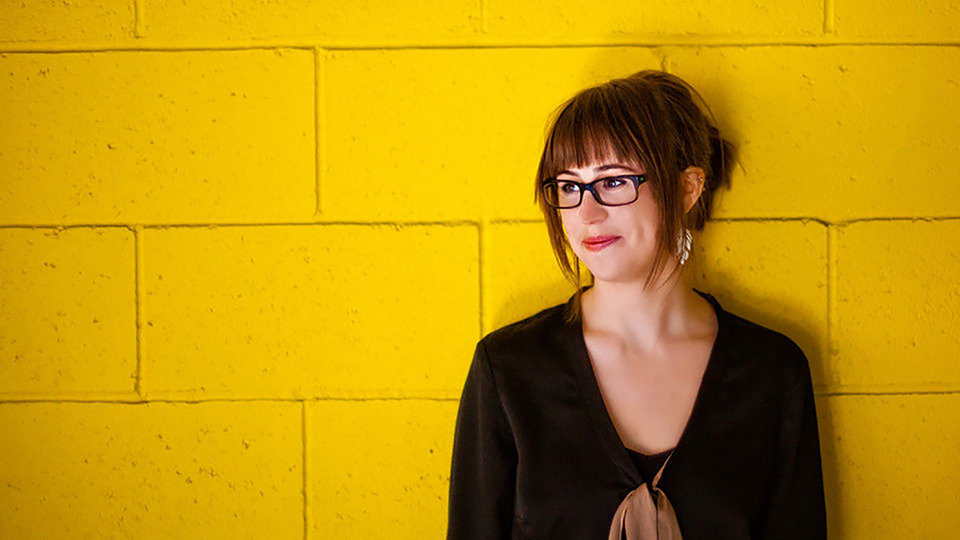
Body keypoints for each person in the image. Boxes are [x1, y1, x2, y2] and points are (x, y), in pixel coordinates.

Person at [446, 70, 827, 540]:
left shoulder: (772, 373)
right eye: (568, 187)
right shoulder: (508, 370)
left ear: (687, 189)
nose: (587, 213)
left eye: (613, 182)